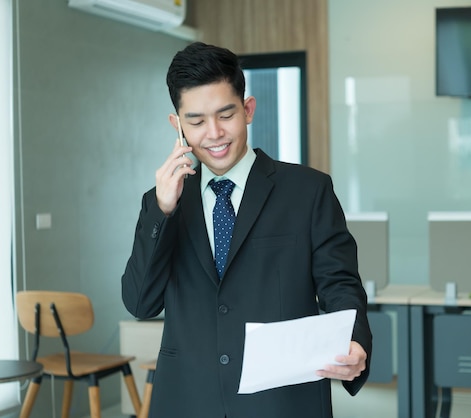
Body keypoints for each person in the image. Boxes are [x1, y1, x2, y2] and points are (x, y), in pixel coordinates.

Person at [121, 42, 372, 418]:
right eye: (196, 121)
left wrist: (354, 341)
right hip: (188, 399)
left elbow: (339, 283)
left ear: (248, 110)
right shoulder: (161, 202)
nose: (214, 134)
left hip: (282, 401)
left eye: (226, 115)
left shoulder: (308, 190)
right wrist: (163, 211)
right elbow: (141, 303)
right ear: (177, 124)